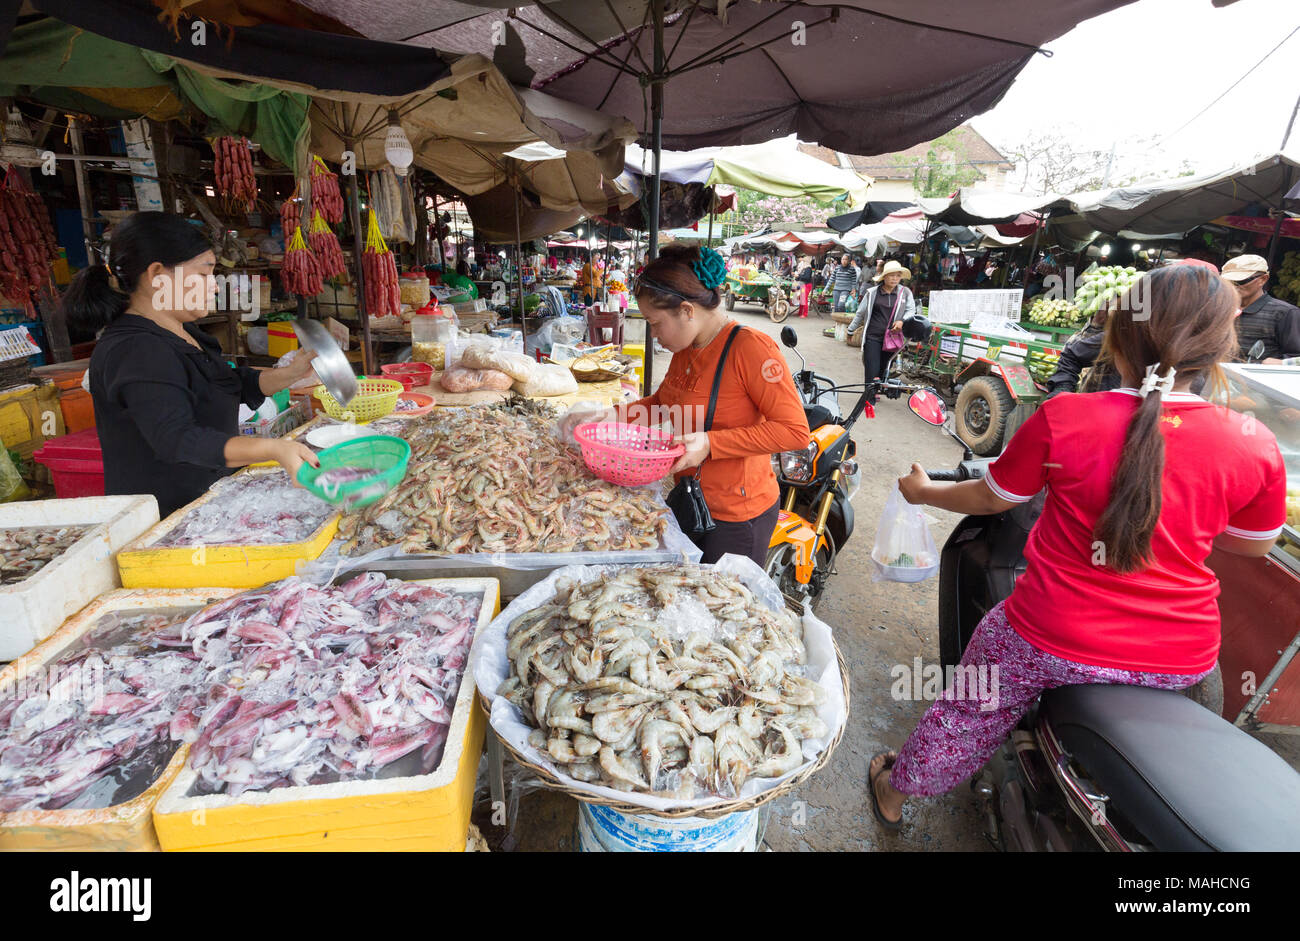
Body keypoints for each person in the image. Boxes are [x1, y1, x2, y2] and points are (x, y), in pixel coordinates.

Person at [866, 264, 1286, 830]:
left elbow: (993, 498)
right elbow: (1253, 546)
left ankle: (896, 792)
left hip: (1049, 632)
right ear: (1221, 345)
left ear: (1118, 334)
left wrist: (922, 491)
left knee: (967, 711)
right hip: (1179, 655)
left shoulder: (1066, 416)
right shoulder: (1253, 441)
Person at [559, 246, 809, 565]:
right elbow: (663, 406)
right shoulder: (686, 349)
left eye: (655, 323)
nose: (653, 334)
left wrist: (710, 443)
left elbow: (795, 432)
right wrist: (607, 416)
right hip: (690, 501)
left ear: (687, 311)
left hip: (736, 519)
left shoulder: (751, 348)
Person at [71, 213, 319, 518]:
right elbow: (177, 439)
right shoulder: (135, 350)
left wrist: (291, 374)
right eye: (203, 275)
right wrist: (273, 449)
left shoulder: (182, 331)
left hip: (208, 504)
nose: (214, 288)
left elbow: (223, 384)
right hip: (165, 522)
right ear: (157, 275)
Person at [847, 260, 916, 403]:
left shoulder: (905, 293)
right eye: (891, 275)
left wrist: (903, 321)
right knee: (872, 367)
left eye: (898, 276)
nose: (895, 279)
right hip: (873, 336)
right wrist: (851, 330)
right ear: (884, 277)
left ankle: (875, 390)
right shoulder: (872, 293)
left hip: (892, 338)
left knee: (883, 368)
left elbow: (911, 311)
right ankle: (868, 397)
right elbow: (860, 313)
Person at [1220, 254, 1300, 362]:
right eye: (1229, 282)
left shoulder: (1284, 313)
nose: (1234, 286)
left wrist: (1281, 363)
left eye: (1241, 281)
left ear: (1263, 279)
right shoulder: (1220, 308)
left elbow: (1295, 356)